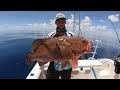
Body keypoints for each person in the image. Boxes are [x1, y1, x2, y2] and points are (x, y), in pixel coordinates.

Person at [39, 13, 75, 79]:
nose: (61, 23)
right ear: (56, 22)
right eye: (59, 21)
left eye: (63, 21)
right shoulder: (50, 35)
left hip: (67, 64)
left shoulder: (72, 35)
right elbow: (45, 49)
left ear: (65, 22)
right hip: (53, 63)